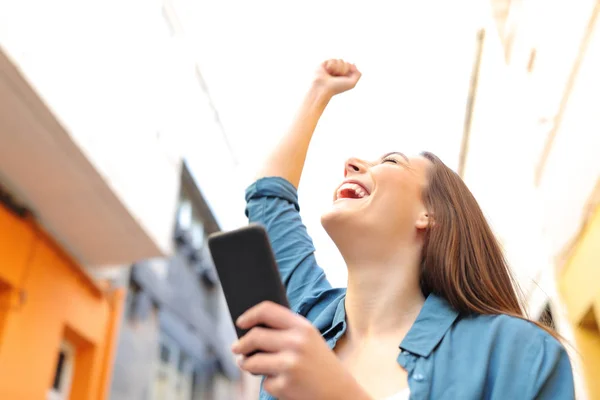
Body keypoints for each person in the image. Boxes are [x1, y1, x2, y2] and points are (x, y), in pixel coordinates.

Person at [230, 59, 575, 400]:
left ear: (430, 214)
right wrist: (319, 92)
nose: (351, 164)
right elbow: (269, 200)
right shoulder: (306, 319)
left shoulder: (514, 352)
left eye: (391, 161)